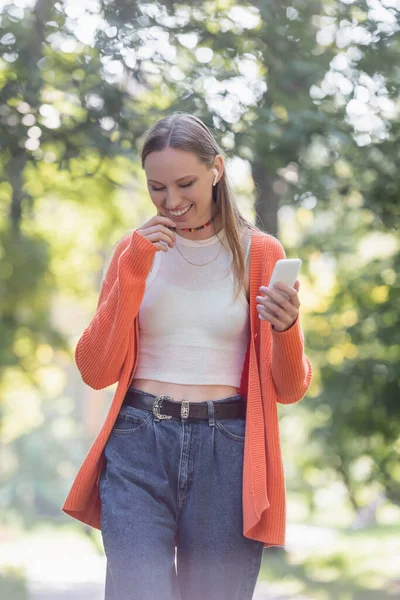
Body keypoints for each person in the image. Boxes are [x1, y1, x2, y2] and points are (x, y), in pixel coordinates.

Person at [61, 112, 313, 600]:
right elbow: (95, 369)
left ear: (216, 169)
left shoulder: (260, 253)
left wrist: (286, 328)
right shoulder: (132, 251)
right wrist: (134, 266)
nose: (171, 202)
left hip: (229, 449)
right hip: (139, 442)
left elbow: (290, 388)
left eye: (185, 183)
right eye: (157, 188)